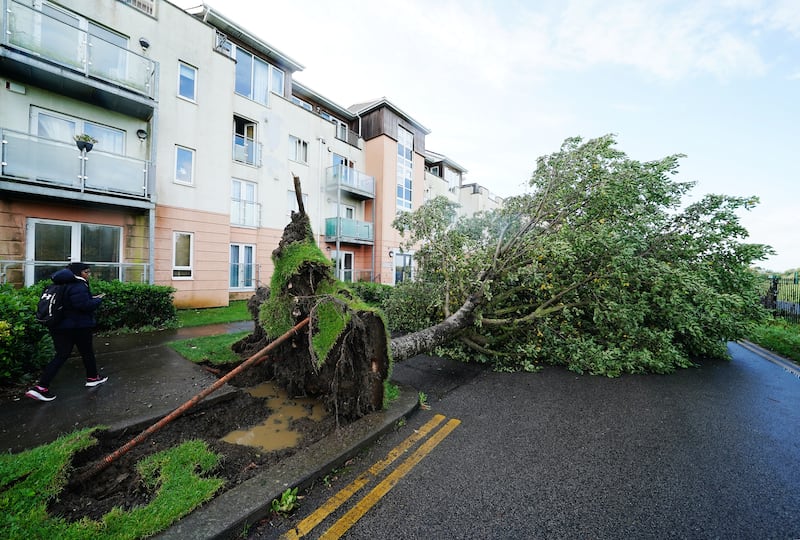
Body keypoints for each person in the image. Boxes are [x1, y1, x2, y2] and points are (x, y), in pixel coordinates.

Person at [25, 262, 107, 402]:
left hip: (58, 326)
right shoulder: (78, 285)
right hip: (78, 327)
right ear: (80, 273)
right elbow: (83, 305)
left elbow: (70, 303)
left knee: (61, 355)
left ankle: (41, 387)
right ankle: (92, 378)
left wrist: (89, 299)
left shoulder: (57, 284)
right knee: (86, 352)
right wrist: (97, 300)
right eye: (87, 272)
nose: (89, 275)